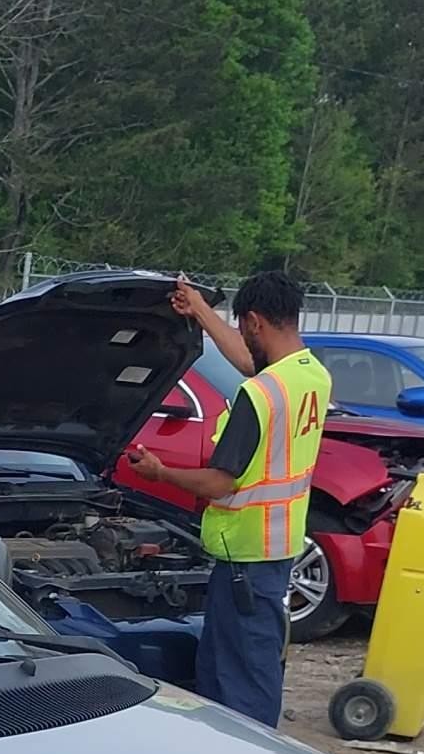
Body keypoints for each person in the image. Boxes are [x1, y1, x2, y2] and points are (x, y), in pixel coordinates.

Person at [126, 269, 330, 727]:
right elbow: (247, 359)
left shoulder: (258, 395)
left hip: (245, 558)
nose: (241, 335)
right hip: (276, 550)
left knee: (241, 678)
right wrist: (200, 309)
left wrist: (160, 473)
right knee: (244, 665)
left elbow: (221, 482)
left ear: (255, 322)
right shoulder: (310, 375)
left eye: (243, 326)